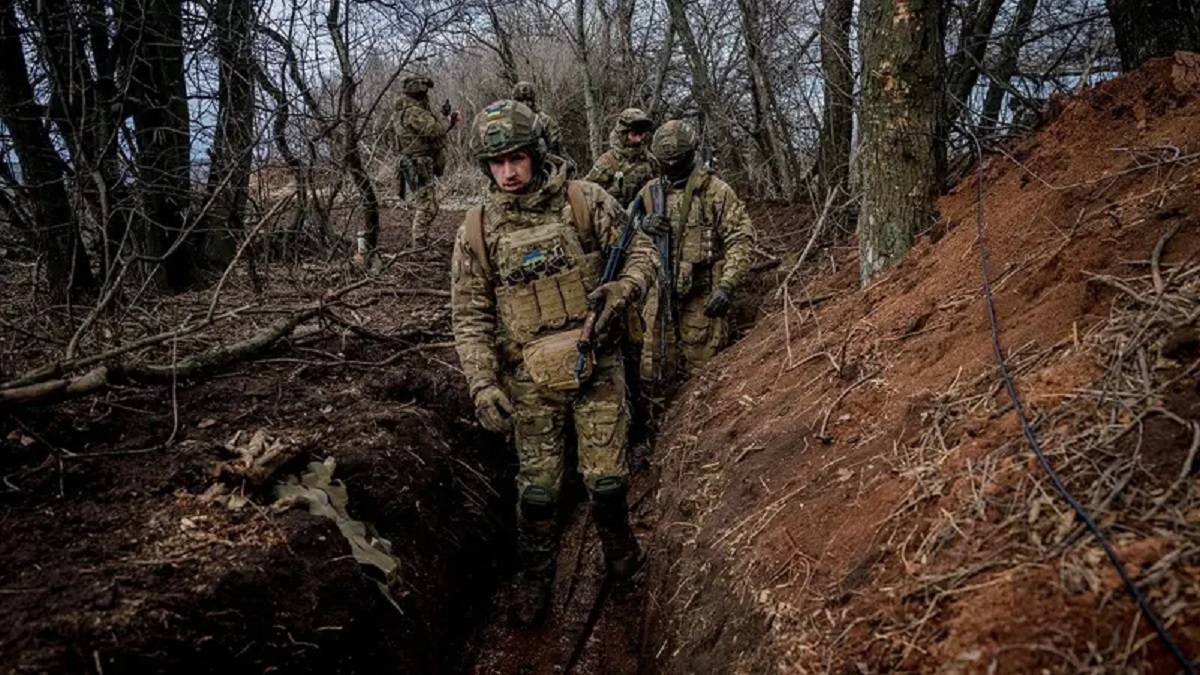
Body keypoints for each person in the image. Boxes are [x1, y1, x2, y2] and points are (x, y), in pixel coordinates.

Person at [450, 99, 657, 627]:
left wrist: (624, 287)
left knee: (606, 481)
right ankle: (535, 576)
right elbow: (470, 316)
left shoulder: (584, 201)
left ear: (536, 154)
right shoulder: (477, 229)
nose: (508, 172)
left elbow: (642, 253)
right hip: (529, 380)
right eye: (496, 163)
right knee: (538, 494)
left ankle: (622, 557)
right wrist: (481, 385)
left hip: (598, 365)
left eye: (516, 158)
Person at [635, 119, 755, 384]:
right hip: (657, 298)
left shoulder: (714, 191)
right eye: (666, 161)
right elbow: (625, 241)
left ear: (691, 154)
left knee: (704, 372)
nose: (671, 167)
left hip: (701, 294)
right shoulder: (649, 193)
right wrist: (642, 226)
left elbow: (741, 238)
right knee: (652, 372)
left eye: (677, 160)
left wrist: (726, 285)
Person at [383, 75, 459, 261]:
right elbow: (434, 130)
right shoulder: (412, 112)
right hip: (417, 163)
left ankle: (420, 244)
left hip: (419, 162)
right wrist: (448, 120)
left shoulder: (410, 110)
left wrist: (444, 118)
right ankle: (419, 247)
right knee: (427, 206)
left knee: (428, 205)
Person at [584, 108, 658, 206]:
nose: (638, 139)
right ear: (623, 134)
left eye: (641, 134)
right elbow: (586, 193)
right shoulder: (608, 161)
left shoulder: (650, 160)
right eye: (634, 134)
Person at [511, 80, 563, 157]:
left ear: (533, 101)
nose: (524, 104)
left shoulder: (544, 120)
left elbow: (555, 144)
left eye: (528, 100)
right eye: (520, 101)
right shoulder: (509, 121)